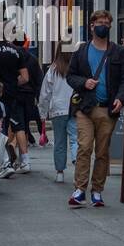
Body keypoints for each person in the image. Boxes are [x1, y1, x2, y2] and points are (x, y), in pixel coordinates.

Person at [65, 10, 124, 208]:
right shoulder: (81, 51)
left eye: (106, 23)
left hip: (107, 109)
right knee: (84, 147)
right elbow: (70, 76)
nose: (104, 26)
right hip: (85, 107)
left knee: (102, 151)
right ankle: (79, 189)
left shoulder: (118, 52)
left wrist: (120, 98)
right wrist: (84, 83)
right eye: (100, 22)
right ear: (92, 26)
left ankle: (97, 190)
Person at [0, 31, 30, 178]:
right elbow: (25, 77)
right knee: (15, 127)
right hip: (12, 95)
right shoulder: (16, 52)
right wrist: (11, 83)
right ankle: (15, 162)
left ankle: (4, 163)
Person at [38, 48, 78, 183]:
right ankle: (77, 164)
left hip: (57, 110)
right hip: (74, 108)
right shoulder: (77, 68)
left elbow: (45, 94)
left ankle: (60, 173)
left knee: (59, 142)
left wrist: (43, 113)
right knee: (75, 139)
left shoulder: (53, 70)